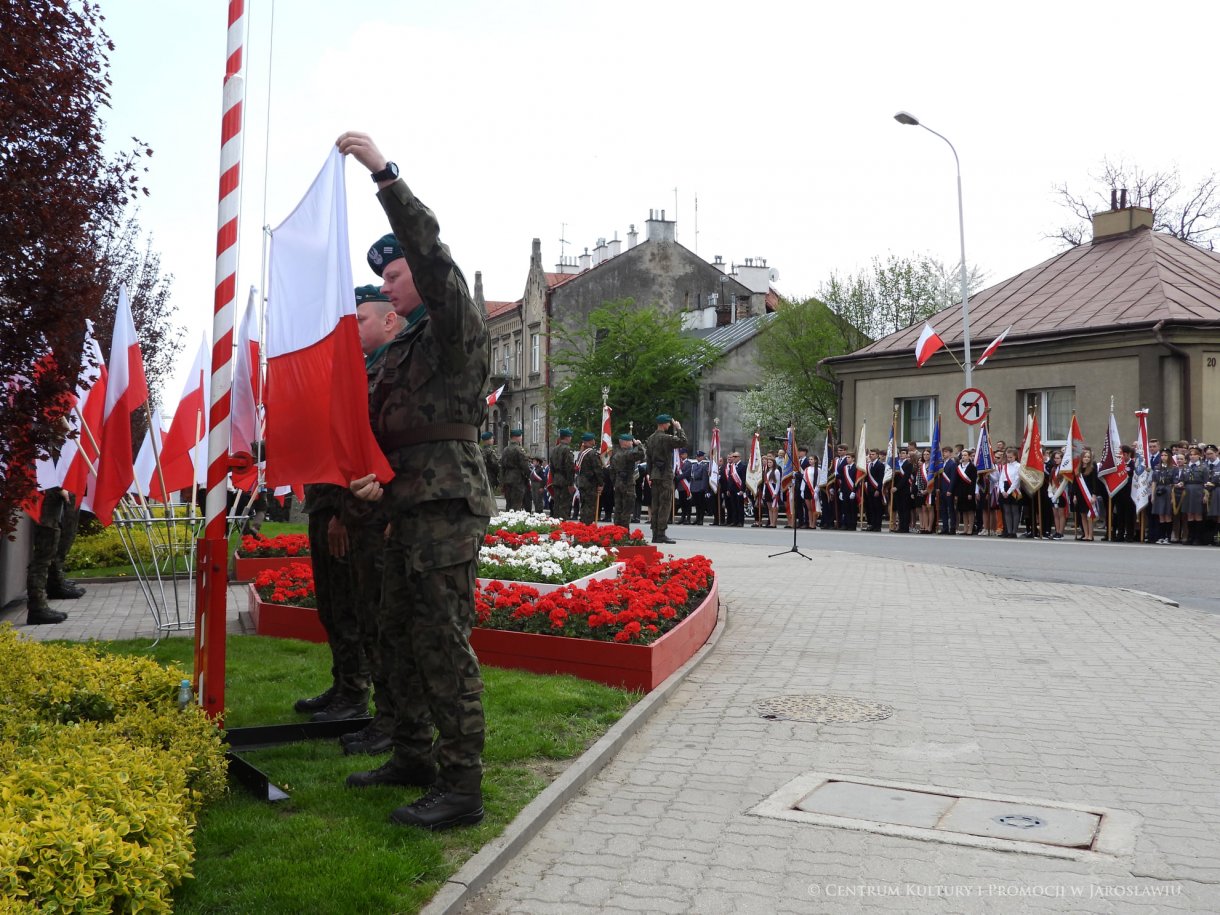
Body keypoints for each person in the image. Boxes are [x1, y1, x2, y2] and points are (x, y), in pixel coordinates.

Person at [337, 131, 495, 831]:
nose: (387, 285)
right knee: (397, 636)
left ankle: (462, 785)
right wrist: (371, 480)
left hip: (445, 505)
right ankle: (413, 755)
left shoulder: (453, 327)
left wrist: (384, 175)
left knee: (441, 641)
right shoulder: (404, 344)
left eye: (395, 274)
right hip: (407, 503)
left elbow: (430, 254)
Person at [341, 284, 409, 756]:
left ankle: (393, 723)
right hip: (364, 514)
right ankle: (383, 717)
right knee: (369, 621)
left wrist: (396, 511)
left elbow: (400, 447)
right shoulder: (370, 370)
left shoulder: (397, 370)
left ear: (388, 321)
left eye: (361, 319)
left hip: (386, 517)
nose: (354, 329)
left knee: (388, 629)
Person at [298, 483, 371, 723]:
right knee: (329, 609)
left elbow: (352, 470)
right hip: (323, 507)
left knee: (345, 609)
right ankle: (342, 685)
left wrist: (342, 516)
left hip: (341, 512)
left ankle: (354, 693)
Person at [25, 487, 85, 625]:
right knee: (43, 557)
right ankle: (37, 608)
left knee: (47, 554)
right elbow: (45, 476)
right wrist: (58, 488)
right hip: (45, 499)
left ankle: (41, 603)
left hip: (49, 498)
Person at [645, 414, 687, 543]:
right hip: (665, 475)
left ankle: (655, 534)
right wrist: (679, 428)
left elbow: (649, 459)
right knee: (665, 504)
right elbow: (683, 442)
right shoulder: (666, 438)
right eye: (668, 423)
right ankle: (661, 533)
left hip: (655, 475)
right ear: (663, 424)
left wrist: (650, 474)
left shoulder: (650, 439)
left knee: (655, 505)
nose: (669, 425)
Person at [609, 432, 644, 528]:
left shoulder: (615, 454)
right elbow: (641, 454)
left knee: (618, 509)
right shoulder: (628, 453)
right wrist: (639, 444)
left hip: (618, 483)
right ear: (624, 442)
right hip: (628, 484)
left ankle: (617, 531)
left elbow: (611, 471)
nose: (632, 443)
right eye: (630, 441)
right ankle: (624, 531)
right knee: (627, 509)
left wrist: (615, 482)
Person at [498, 429, 530, 511]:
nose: (521, 438)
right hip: (517, 479)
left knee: (509, 503)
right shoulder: (519, 449)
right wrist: (529, 476)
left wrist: (502, 482)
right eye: (520, 436)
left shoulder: (505, 450)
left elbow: (502, 467)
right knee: (517, 504)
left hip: (507, 478)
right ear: (517, 437)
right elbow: (525, 466)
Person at [548, 429, 576, 519]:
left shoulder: (554, 449)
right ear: (567, 437)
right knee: (564, 504)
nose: (571, 438)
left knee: (557, 503)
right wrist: (571, 483)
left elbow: (551, 466)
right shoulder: (567, 449)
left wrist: (554, 477)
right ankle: (563, 522)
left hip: (556, 478)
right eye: (570, 436)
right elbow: (570, 468)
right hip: (565, 479)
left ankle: (556, 522)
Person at [574, 432, 601, 524]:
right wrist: (601, 483)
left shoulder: (581, 453)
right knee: (590, 507)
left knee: (584, 505)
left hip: (582, 482)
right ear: (590, 441)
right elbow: (597, 470)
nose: (594, 441)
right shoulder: (592, 453)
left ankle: (583, 524)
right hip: (590, 484)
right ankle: (587, 526)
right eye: (593, 439)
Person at [997, 448, 1023, 539]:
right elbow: (1001, 479)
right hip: (1005, 488)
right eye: (1008, 457)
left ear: (1015, 456)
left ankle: (1014, 532)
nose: (1009, 459)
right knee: (1007, 511)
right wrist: (1002, 491)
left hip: (1014, 489)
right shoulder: (1005, 466)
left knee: (1015, 511)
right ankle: (1008, 531)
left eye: (1011, 457)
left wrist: (1008, 492)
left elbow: (1017, 480)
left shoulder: (1018, 466)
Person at [688, 450, 710, 525]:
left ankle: (701, 519)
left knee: (701, 505)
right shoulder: (694, 465)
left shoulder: (704, 466)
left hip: (700, 486)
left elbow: (704, 478)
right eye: (697, 456)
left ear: (702, 457)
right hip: (694, 486)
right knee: (696, 505)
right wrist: (691, 487)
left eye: (699, 456)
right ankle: (697, 519)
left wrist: (703, 488)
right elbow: (692, 477)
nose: (698, 458)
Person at [479, 431, 500, 499]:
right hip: (490, 477)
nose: (493, 440)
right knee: (490, 497)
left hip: (483, 476)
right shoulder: (489, 451)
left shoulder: (481, 450)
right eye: (491, 438)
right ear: (487, 440)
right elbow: (496, 465)